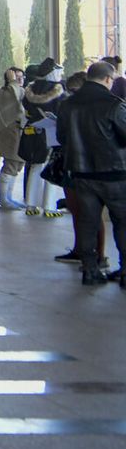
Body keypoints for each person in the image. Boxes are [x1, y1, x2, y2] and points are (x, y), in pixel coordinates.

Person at [54, 60, 126, 286]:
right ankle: (124, 272)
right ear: (107, 79)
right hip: (114, 173)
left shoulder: (67, 104)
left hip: (80, 173)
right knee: (123, 222)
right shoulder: (114, 104)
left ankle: (90, 270)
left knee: (87, 221)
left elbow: (62, 137)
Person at [19, 61, 65, 217]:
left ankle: (30, 204)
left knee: (35, 165)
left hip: (33, 130)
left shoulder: (30, 89)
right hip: (52, 132)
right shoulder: (58, 91)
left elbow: (25, 108)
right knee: (51, 166)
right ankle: (49, 205)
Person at [0, 66, 26, 210]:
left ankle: (8, 197)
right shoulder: (6, 92)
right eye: (16, 77)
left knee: (16, 166)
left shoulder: (19, 90)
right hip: (10, 134)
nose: (19, 80)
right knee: (10, 165)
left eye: (22, 77)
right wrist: (12, 83)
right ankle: (3, 199)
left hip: (20, 133)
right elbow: (16, 102)